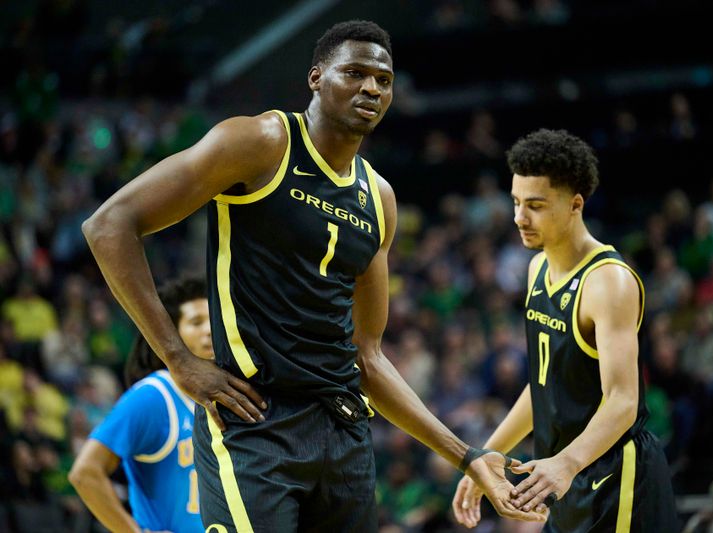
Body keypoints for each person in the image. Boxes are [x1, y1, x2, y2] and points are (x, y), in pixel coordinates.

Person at [81, 19, 543, 532]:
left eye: (383, 80)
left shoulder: (379, 199)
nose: (371, 87)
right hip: (256, 423)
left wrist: (468, 455)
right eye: (356, 73)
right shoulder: (259, 142)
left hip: (344, 432)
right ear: (316, 77)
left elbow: (367, 358)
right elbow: (109, 225)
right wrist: (178, 359)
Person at [452, 129, 679, 532]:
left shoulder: (609, 282)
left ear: (576, 204)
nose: (520, 217)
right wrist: (485, 456)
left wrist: (567, 463)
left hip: (616, 477)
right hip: (562, 476)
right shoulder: (538, 267)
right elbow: (544, 384)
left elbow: (623, 401)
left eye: (536, 205)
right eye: (517, 203)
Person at [68, 276, 211, 533]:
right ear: (172, 334)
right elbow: (85, 473)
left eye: (213, 321)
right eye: (196, 322)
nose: (209, 330)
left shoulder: (223, 395)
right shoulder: (155, 396)